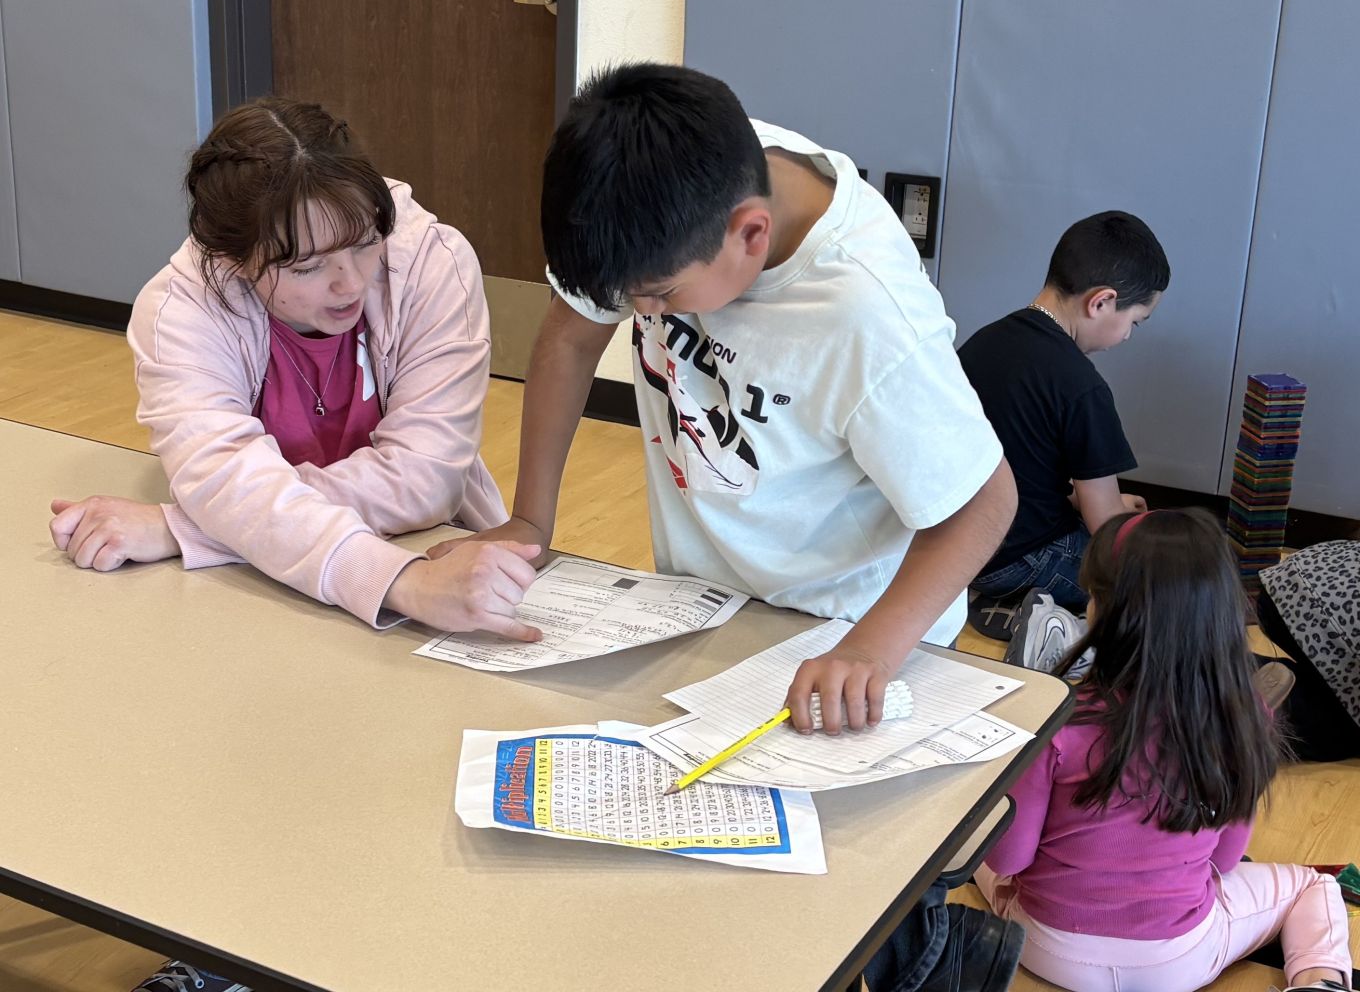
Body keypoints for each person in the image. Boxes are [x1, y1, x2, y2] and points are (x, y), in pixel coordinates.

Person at [459, 62, 1022, 990]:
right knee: (721, 890)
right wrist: (530, 519)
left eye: (656, 300)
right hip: (713, 602)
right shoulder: (672, 178)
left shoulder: (863, 309)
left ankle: (943, 954)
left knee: (848, 907)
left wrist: (873, 651)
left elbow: (982, 500)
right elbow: (568, 334)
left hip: (850, 629)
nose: (640, 316)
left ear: (751, 237)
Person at [48, 97, 541, 641]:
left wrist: (187, 525)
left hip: (429, 549)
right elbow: (226, 475)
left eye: (364, 244)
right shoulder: (178, 312)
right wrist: (402, 585)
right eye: (306, 267)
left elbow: (426, 481)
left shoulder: (429, 260)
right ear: (234, 260)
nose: (349, 283)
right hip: (258, 594)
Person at [976, 508, 1354, 992]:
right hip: (1178, 961)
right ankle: (1319, 983)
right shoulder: (1246, 714)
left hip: (1045, 948)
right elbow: (1226, 861)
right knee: (1314, 885)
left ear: (1103, 612)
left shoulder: (1058, 723)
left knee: (975, 845)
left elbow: (1010, 862)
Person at [957, 211, 1169, 640]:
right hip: (1023, 559)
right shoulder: (1082, 386)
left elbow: (1018, 464)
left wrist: (1078, 499)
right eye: (1135, 322)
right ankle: (1049, 624)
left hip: (958, 549)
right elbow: (1105, 526)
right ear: (1101, 301)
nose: (1128, 336)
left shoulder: (983, 342)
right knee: (1165, 575)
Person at [1257, 540, 1360, 762]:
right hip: (1317, 618)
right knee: (1340, 735)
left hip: (1292, 577)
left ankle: (1221, 667)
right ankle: (1231, 697)